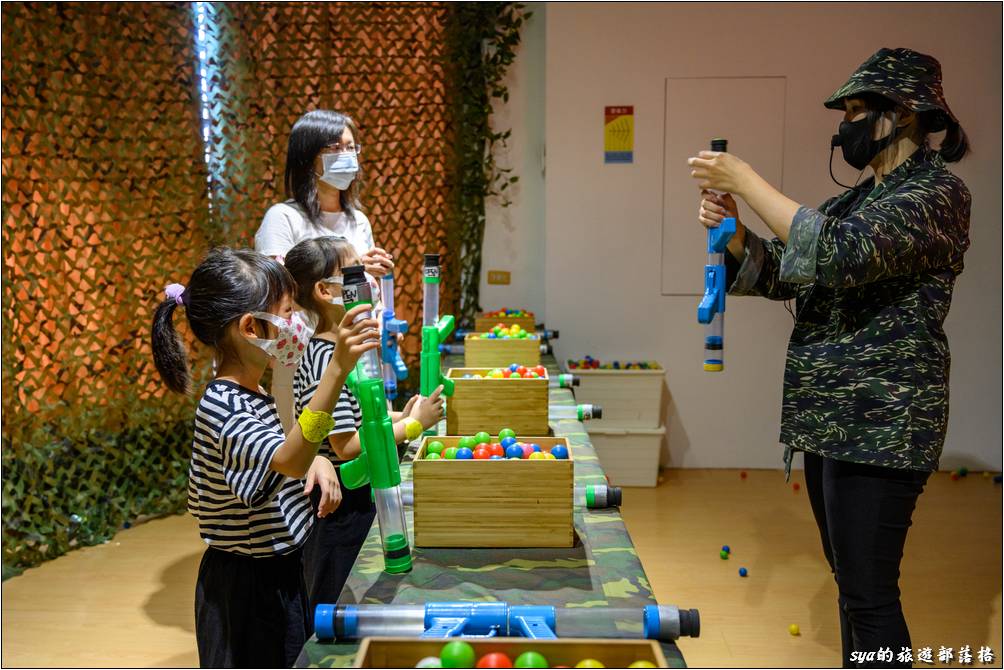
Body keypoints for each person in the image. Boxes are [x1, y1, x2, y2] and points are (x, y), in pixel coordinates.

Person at [688, 48, 970, 667]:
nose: (846, 126)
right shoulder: (855, 200)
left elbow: (841, 254)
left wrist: (746, 181)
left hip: (882, 426)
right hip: (830, 424)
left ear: (905, 115)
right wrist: (735, 233)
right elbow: (788, 278)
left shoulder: (937, 195)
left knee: (869, 596)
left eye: (858, 111)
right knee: (851, 587)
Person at [151, 247, 379, 667]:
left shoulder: (253, 391)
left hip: (279, 572)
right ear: (251, 327)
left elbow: (283, 457)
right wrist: (336, 371)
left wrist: (317, 459)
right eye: (288, 312)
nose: (297, 324)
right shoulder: (225, 405)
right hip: (246, 589)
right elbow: (287, 460)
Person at [284, 236, 444, 612]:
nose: (368, 281)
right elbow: (347, 445)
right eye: (354, 273)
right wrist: (414, 426)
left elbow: (365, 413)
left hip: (361, 501)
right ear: (325, 291)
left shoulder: (347, 349)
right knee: (340, 603)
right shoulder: (328, 360)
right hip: (340, 508)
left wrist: (401, 415)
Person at [256, 109, 395, 431]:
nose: (345, 156)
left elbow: (368, 300)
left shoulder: (358, 221)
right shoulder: (283, 218)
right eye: (333, 149)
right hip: (305, 369)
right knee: (312, 467)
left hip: (362, 369)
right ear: (307, 157)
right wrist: (355, 268)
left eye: (351, 147)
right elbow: (275, 297)